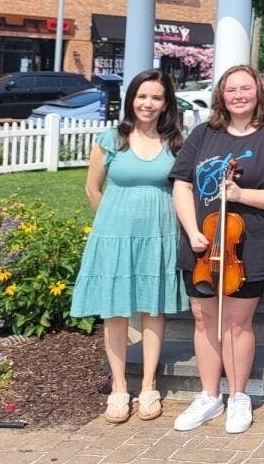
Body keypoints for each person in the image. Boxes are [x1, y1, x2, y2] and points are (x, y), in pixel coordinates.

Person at [170, 64, 264, 434]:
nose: (239, 95)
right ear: (221, 95)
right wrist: (193, 231)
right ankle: (210, 395)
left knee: (238, 323)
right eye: (231, 89)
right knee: (204, 319)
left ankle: (239, 395)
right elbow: (181, 185)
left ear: (258, 93)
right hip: (203, 245)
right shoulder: (203, 134)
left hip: (249, 246)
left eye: (246, 88)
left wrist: (242, 195)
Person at [71, 69, 187, 423]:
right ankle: (119, 387)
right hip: (115, 236)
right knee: (115, 310)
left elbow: (184, 188)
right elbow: (93, 188)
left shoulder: (176, 143)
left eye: (156, 97)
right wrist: (110, 223)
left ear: (166, 102)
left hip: (159, 234)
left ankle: (149, 383)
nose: (148, 104)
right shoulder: (111, 138)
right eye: (142, 96)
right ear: (131, 99)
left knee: (154, 309)